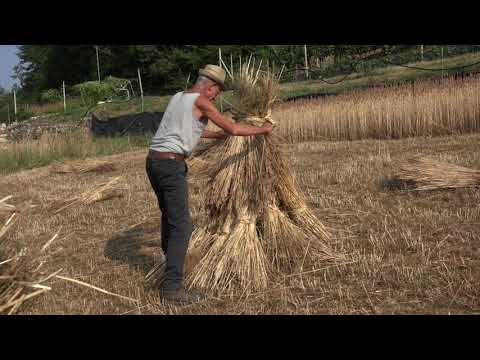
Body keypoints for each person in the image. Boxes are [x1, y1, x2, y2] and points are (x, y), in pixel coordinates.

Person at [146, 64, 273, 305]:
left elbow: (194, 131)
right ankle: (172, 289)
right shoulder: (202, 101)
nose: (216, 97)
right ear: (209, 86)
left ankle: (170, 266)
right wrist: (263, 129)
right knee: (182, 226)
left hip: (154, 162)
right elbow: (234, 128)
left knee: (168, 218)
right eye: (217, 92)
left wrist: (218, 136)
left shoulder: (177, 98)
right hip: (171, 166)